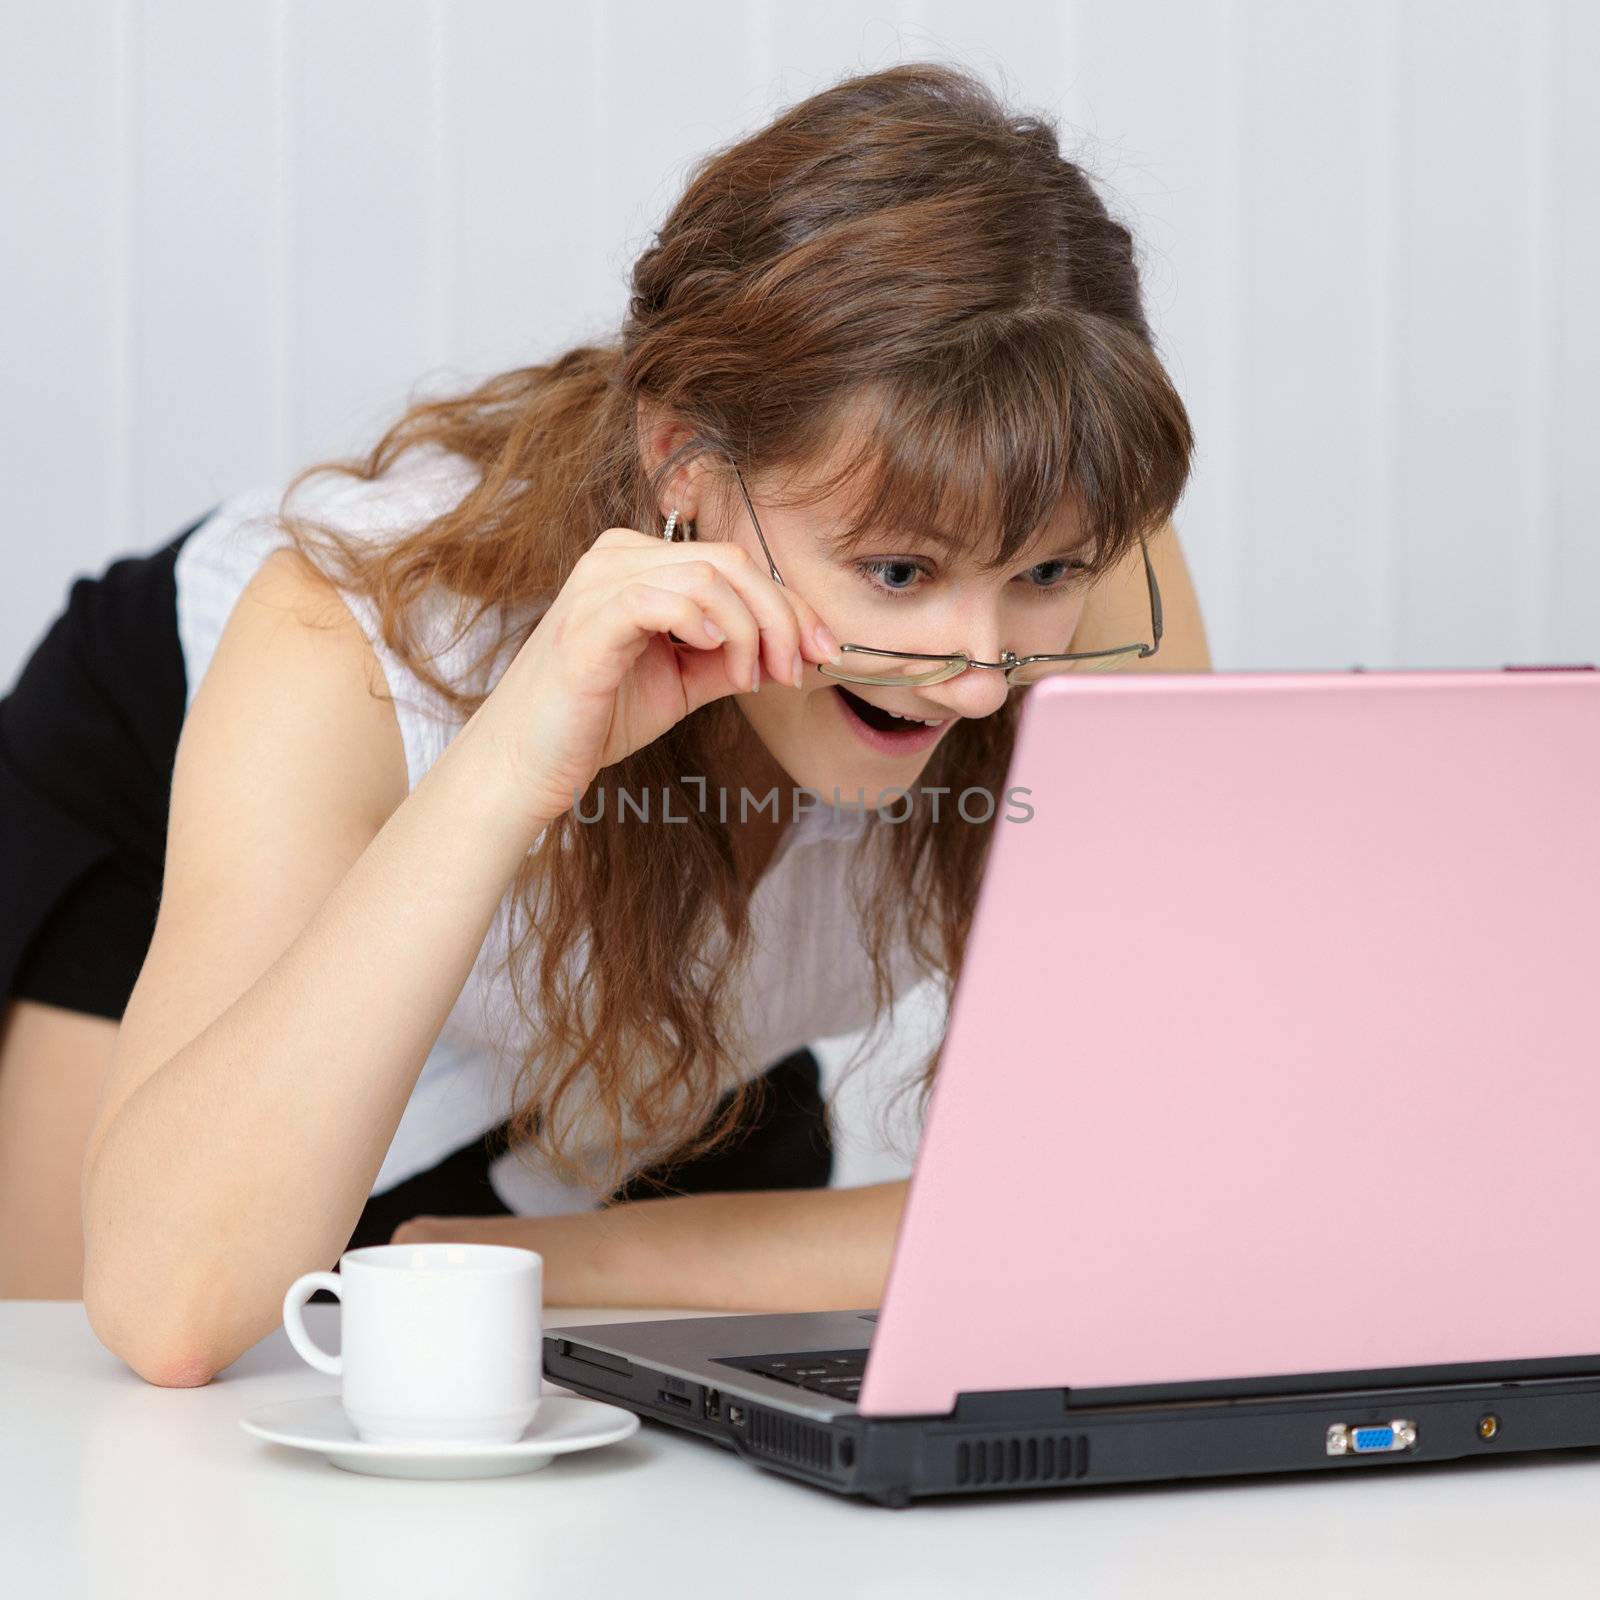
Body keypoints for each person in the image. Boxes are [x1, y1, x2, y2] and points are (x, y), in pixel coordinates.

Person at [0, 62, 1209, 1384]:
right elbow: (165, 1312)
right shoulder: (348, 640)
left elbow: (1128, 1198)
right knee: (93, 1414)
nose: (980, 673)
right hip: (180, 794)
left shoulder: (1096, 591)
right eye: (900, 574)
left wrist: (560, 1267)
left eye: (1042, 573)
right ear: (688, 472)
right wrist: (510, 766)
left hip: (648, 999)